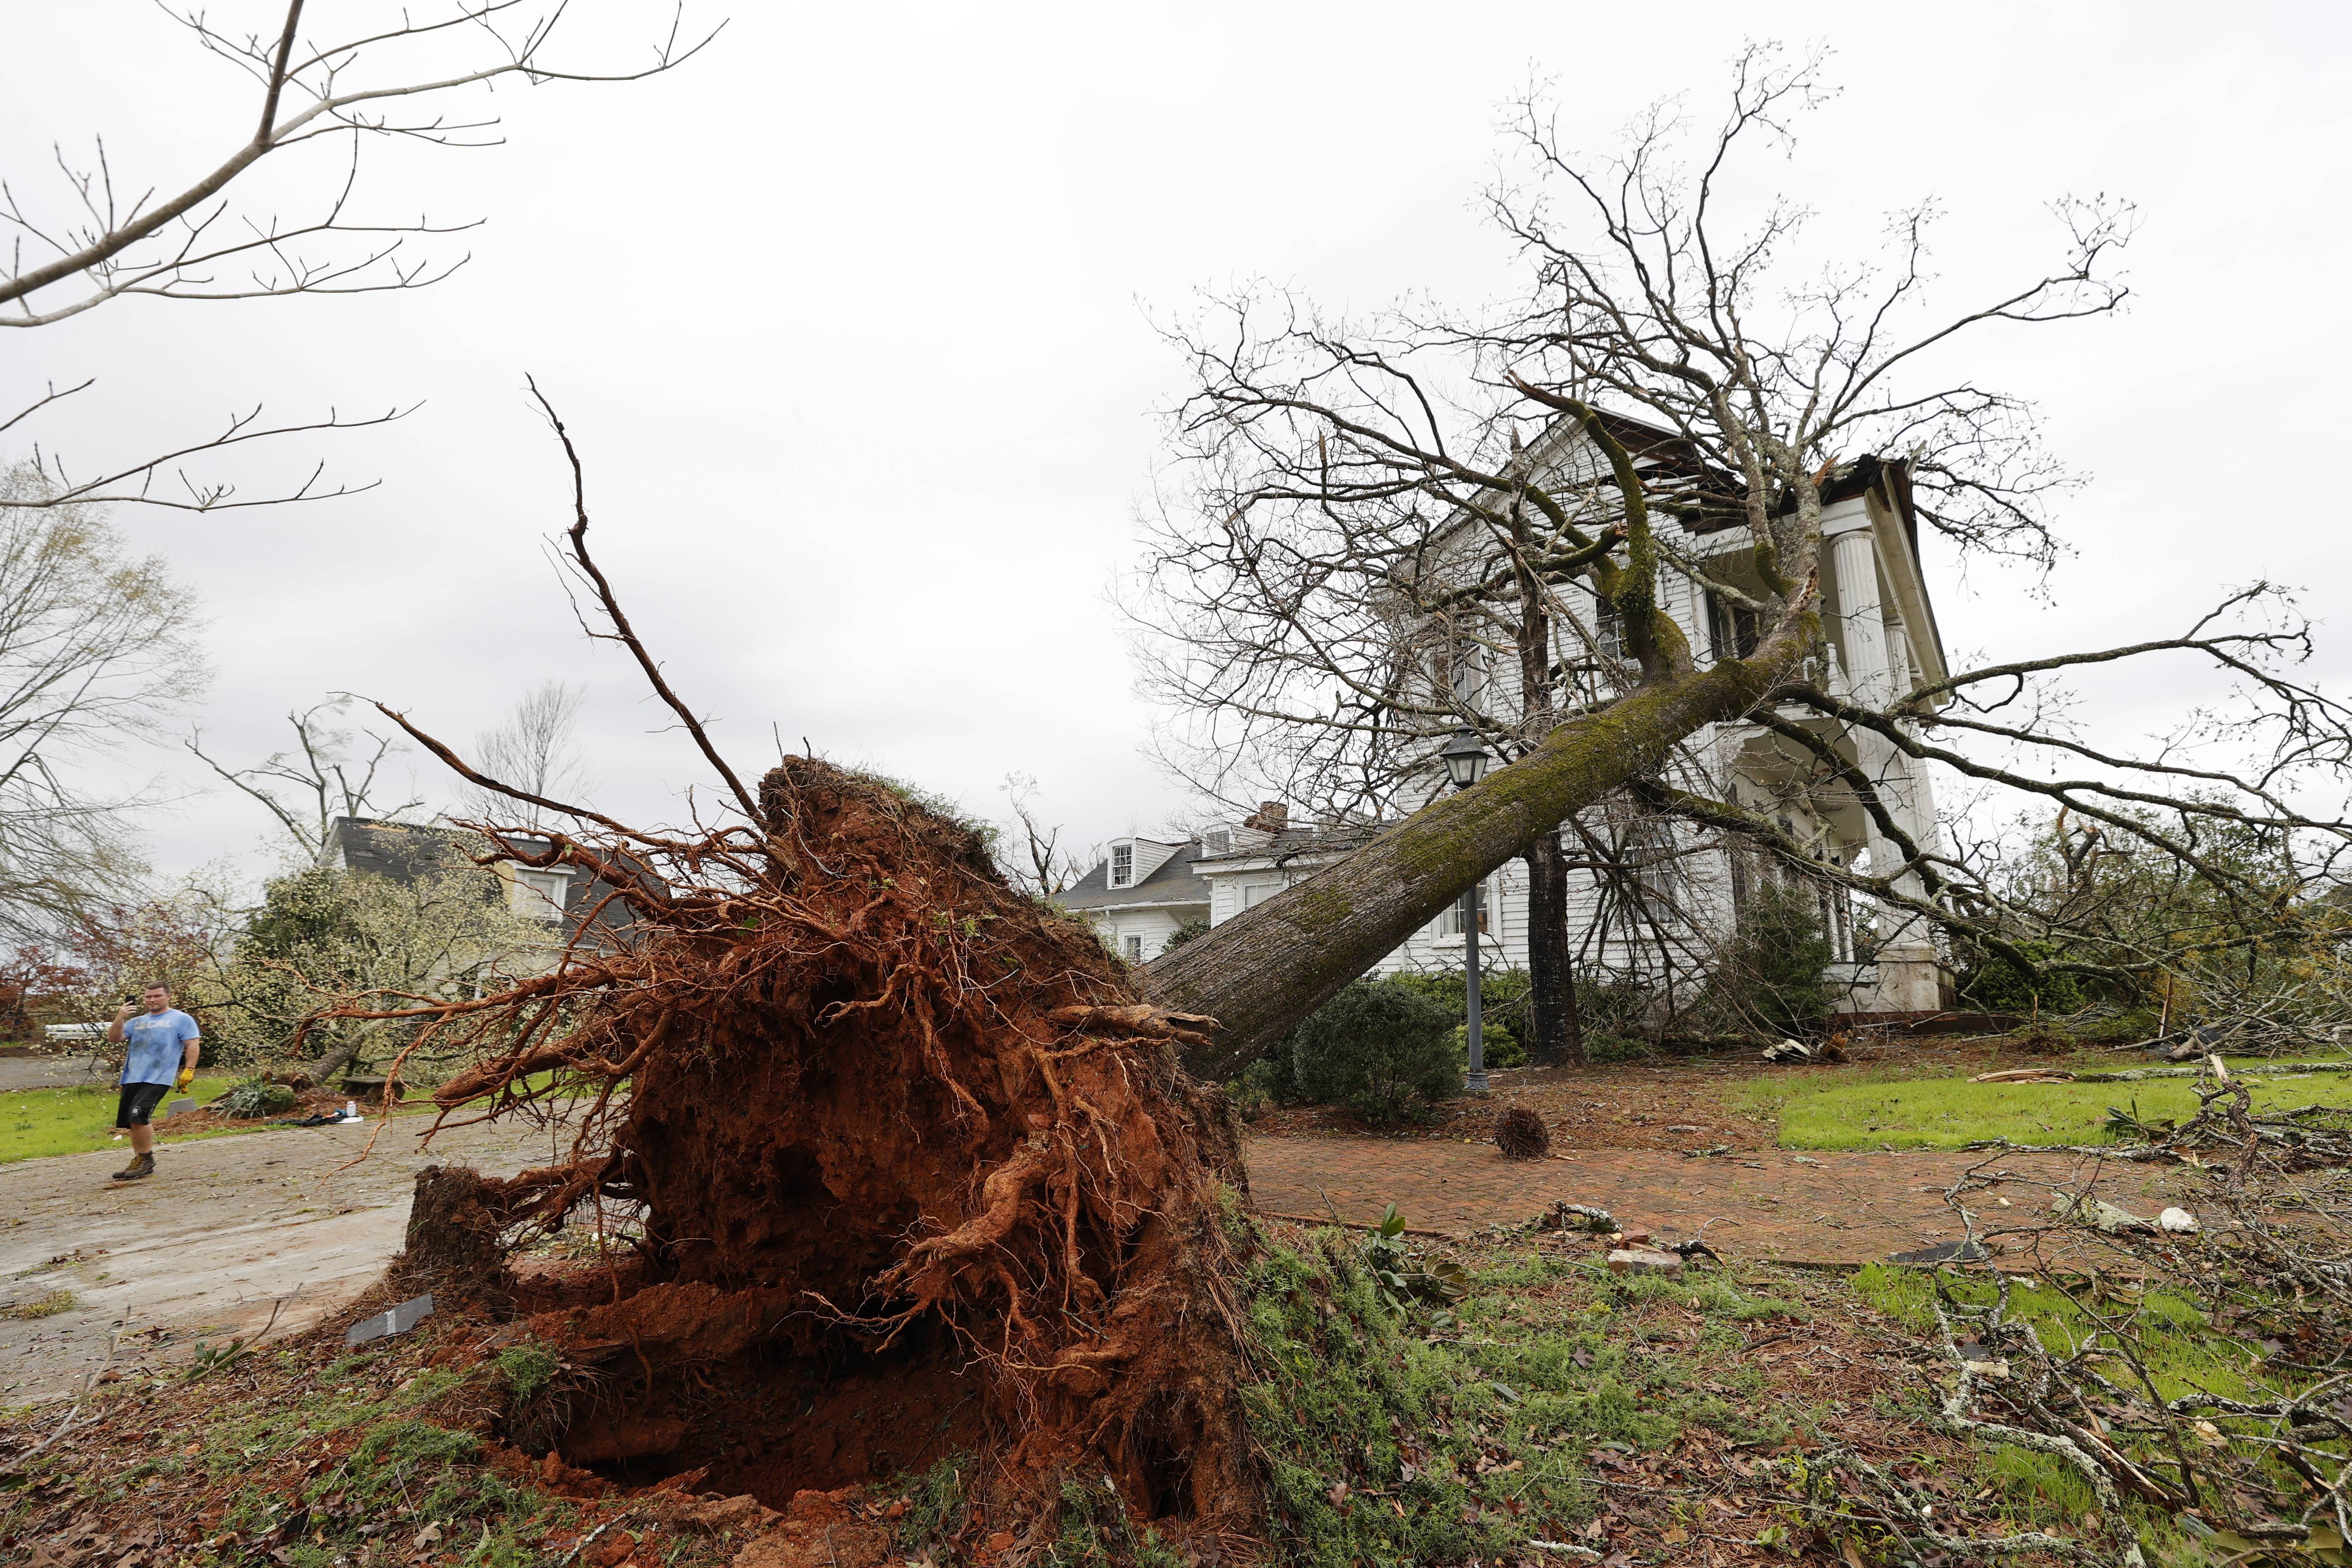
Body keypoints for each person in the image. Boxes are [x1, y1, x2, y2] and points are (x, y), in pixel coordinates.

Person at [105, 983, 201, 1183]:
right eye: (148, 997)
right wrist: (120, 1017)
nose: (152, 1000)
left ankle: (146, 1159)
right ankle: (140, 1159)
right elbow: (114, 1038)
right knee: (132, 1122)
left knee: (138, 1115)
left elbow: (192, 1044)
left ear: (168, 996)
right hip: (133, 1077)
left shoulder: (181, 1019)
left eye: (157, 996)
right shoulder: (137, 1021)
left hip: (159, 1077)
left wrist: (189, 1070)